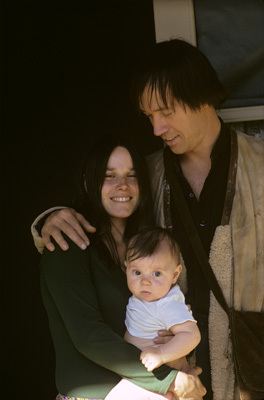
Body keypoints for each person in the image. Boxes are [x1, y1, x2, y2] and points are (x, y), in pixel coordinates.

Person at [32, 39, 264, 400]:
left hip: (250, 368)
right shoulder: (150, 174)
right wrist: (48, 219)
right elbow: (102, 208)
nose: (156, 128)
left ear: (202, 95)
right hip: (174, 382)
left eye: (166, 111)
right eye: (149, 116)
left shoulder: (260, 165)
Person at [37, 134, 206, 400]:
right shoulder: (66, 244)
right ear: (88, 182)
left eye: (132, 175)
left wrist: (173, 333)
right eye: (109, 176)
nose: (122, 185)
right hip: (93, 395)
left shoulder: (146, 246)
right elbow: (88, 336)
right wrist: (169, 381)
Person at [124, 227, 200, 373]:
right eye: (137, 272)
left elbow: (192, 335)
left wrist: (161, 354)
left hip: (167, 373)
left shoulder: (167, 304)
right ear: (126, 268)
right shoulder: (143, 297)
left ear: (175, 275)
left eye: (157, 274)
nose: (145, 281)